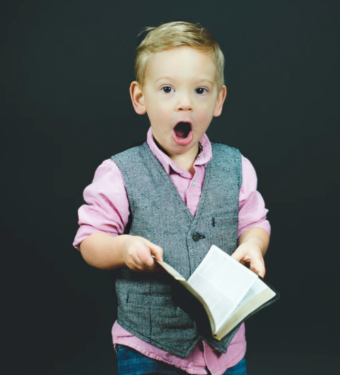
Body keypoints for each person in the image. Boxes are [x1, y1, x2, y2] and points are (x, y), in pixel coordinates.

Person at [73, 21, 270, 375]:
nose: (184, 103)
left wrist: (254, 245)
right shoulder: (119, 173)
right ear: (140, 98)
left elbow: (255, 222)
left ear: (219, 100)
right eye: (167, 89)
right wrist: (122, 248)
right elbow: (89, 240)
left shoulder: (237, 166)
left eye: (200, 90)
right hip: (149, 348)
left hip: (223, 350)